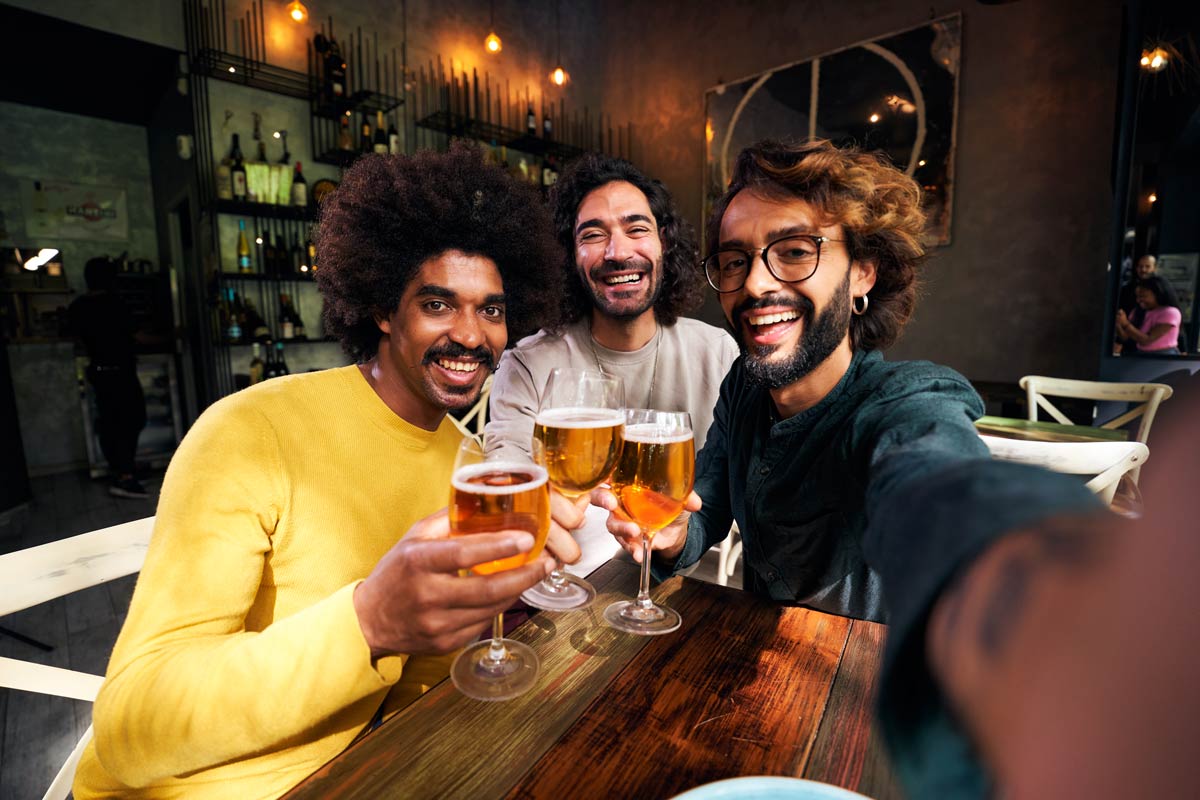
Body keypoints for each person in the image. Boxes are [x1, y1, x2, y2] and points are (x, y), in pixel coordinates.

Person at [596, 139, 1104, 797]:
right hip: (757, 691)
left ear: (862, 272)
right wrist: (669, 538)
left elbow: (933, 480)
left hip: (874, 728)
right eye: (735, 261)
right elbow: (706, 509)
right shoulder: (744, 389)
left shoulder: (901, 400)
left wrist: (1020, 577)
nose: (755, 284)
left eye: (796, 252)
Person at [75, 146, 569, 799]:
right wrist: (368, 622)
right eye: (439, 304)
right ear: (383, 309)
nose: (473, 335)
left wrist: (500, 607)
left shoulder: (472, 469)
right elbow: (131, 726)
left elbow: (421, 686)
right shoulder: (251, 432)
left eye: (493, 309)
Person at [485, 154, 739, 568]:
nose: (617, 252)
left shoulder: (719, 353)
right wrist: (518, 497)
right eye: (593, 235)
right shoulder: (529, 362)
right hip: (563, 588)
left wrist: (675, 540)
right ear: (569, 257)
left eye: (637, 229)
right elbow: (505, 464)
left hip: (680, 589)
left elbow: (719, 497)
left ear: (665, 244)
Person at [68, 256, 149, 498]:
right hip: (120, 372)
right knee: (132, 421)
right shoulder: (116, 304)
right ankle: (125, 477)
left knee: (110, 424)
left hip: (98, 371)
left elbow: (77, 340)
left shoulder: (78, 306)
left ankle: (120, 470)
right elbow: (139, 336)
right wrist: (174, 336)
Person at [1115, 274, 1183, 354]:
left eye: (1143, 296)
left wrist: (1126, 324)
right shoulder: (1139, 311)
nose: (1139, 300)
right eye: (1137, 297)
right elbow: (1126, 338)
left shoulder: (1170, 313)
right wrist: (1118, 324)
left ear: (1158, 294)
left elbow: (1147, 340)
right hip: (1141, 354)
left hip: (1164, 356)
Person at [1114, 253, 1158, 354]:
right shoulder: (1127, 289)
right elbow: (1121, 311)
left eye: (1147, 266)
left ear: (1155, 268)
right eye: (1140, 266)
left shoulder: (1161, 288)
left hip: (1154, 339)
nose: (1143, 269)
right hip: (1129, 333)